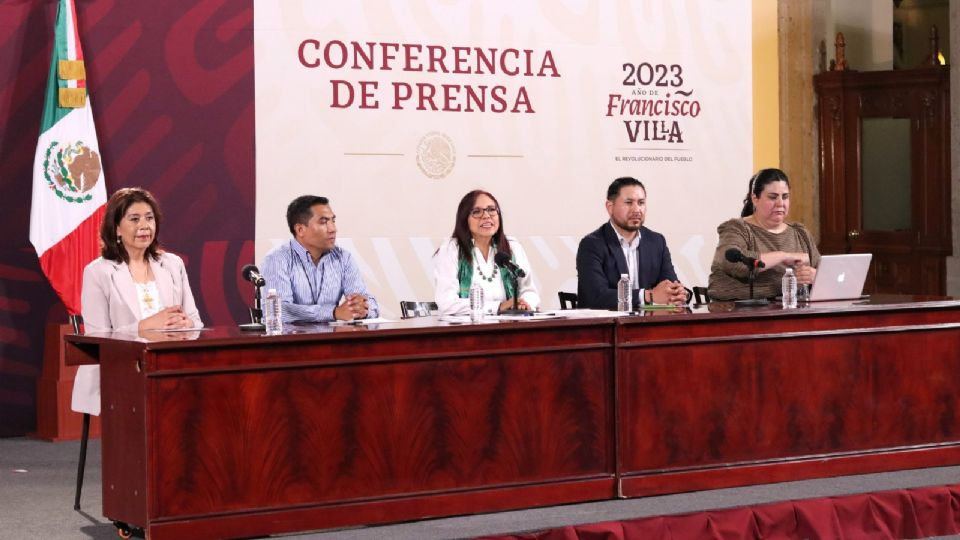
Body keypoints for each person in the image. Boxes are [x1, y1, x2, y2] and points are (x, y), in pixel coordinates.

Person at [73, 188, 202, 416]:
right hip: (121, 371)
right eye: (134, 219)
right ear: (116, 229)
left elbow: (195, 321)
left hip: (170, 365)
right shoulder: (98, 272)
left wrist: (185, 325)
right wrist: (145, 326)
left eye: (149, 218)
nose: (145, 226)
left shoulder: (172, 264)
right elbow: (98, 338)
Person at [708, 168, 821, 301]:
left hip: (792, 312)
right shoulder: (737, 228)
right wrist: (784, 256)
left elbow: (830, 274)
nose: (780, 203)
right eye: (772, 197)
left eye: (785, 197)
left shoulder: (800, 233)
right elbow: (734, 264)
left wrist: (817, 277)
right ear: (755, 198)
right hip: (737, 313)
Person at [261, 195, 379, 323]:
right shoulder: (277, 259)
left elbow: (368, 302)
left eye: (333, 221)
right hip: (292, 341)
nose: (333, 229)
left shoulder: (343, 258)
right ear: (300, 230)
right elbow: (279, 311)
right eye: (323, 222)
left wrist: (361, 308)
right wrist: (333, 313)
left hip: (331, 341)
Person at [577, 177, 688, 309]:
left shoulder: (656, 242)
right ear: (610, 207)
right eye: (629, 203)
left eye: (641, 203)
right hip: (607, 326)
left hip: (648, 323)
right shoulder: (592, 244)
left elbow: (669, 283)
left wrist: (676, 292)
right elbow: (596, 296)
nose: (636, 210)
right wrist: (648, 296)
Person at [433, 190, 540, 316]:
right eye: (477, 212)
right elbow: (447, 303)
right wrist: (498, 307)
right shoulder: (451, 250)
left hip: (508, 328)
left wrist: (522, 303)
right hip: (464, 332)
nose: (486, 216)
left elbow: (530, 291)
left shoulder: (512, 248)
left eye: (491, 210)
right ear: (464, 219)